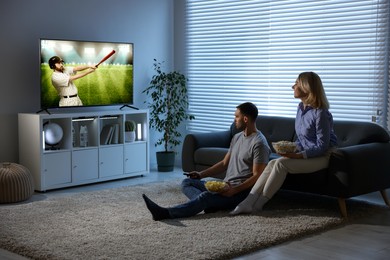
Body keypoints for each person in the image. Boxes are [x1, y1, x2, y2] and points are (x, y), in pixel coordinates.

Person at [230, 71, 338, 215]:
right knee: (272, 163)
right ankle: (248, 202)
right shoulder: (301, 108)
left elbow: (322, 146)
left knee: (281, 164)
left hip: (324, 156)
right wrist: (293, 150)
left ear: (306, 87)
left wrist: (299, 156)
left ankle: (258, 205)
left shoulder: (320, 113)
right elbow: (302, 140)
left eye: (296, 83)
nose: (292, 86)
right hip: (309, 154)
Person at [142, 102, 271, 221]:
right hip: (225, 186)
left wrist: (234, 190)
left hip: (239, 194)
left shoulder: (259, 143)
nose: (234, 120)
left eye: (236, 117)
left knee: (205, 197)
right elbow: (224, 164)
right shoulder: (237, 137)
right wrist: (200, 174)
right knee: (187, 182)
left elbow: (257, 176)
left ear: (245, 119)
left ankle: (166, 213)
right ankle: (211, 204)